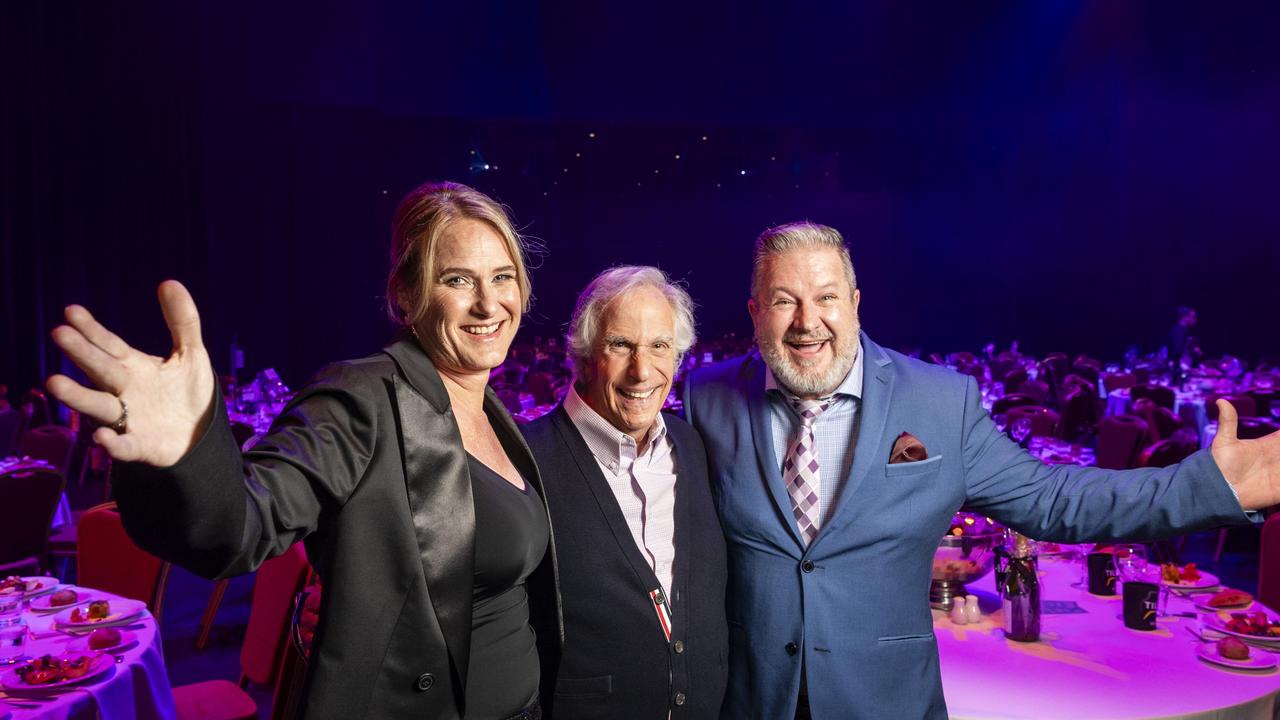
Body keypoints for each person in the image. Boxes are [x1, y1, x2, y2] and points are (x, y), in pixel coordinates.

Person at [682, 221, 1279, 719]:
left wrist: (1215, 486)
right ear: (756, 313)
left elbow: (1055, 499)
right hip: (750, 700)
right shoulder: (708, 397)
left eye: (827, 297)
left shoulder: (941, 402)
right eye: (785, 300)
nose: (807, 321)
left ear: (856, 304)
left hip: (887, 701)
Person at [45, 181, 559, 720]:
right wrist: (186, 449)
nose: (488, 302)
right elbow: (241, 525)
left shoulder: (495, 412)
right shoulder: (363, 399)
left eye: (502, 277)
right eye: (457, 279)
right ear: (405, 295)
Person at [520, 266, 728, 719]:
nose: (642, 371)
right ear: (585, 352)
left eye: (659, 346)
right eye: (621, 345)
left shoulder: (691, 445)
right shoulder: (524, 460)